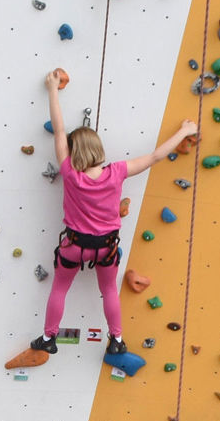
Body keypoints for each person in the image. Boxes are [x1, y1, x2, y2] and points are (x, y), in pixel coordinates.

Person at [31, 68, 197, 357]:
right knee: (109, 290)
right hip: (106, 248)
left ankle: (49, 337)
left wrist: (53, 90)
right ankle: (117, 340)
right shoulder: (117, 172)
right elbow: (157, 156)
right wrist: (184, 131)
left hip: (74, 246)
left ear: (73, 151)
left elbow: (59, 130)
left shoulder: (70, 173)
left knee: (59, 289)